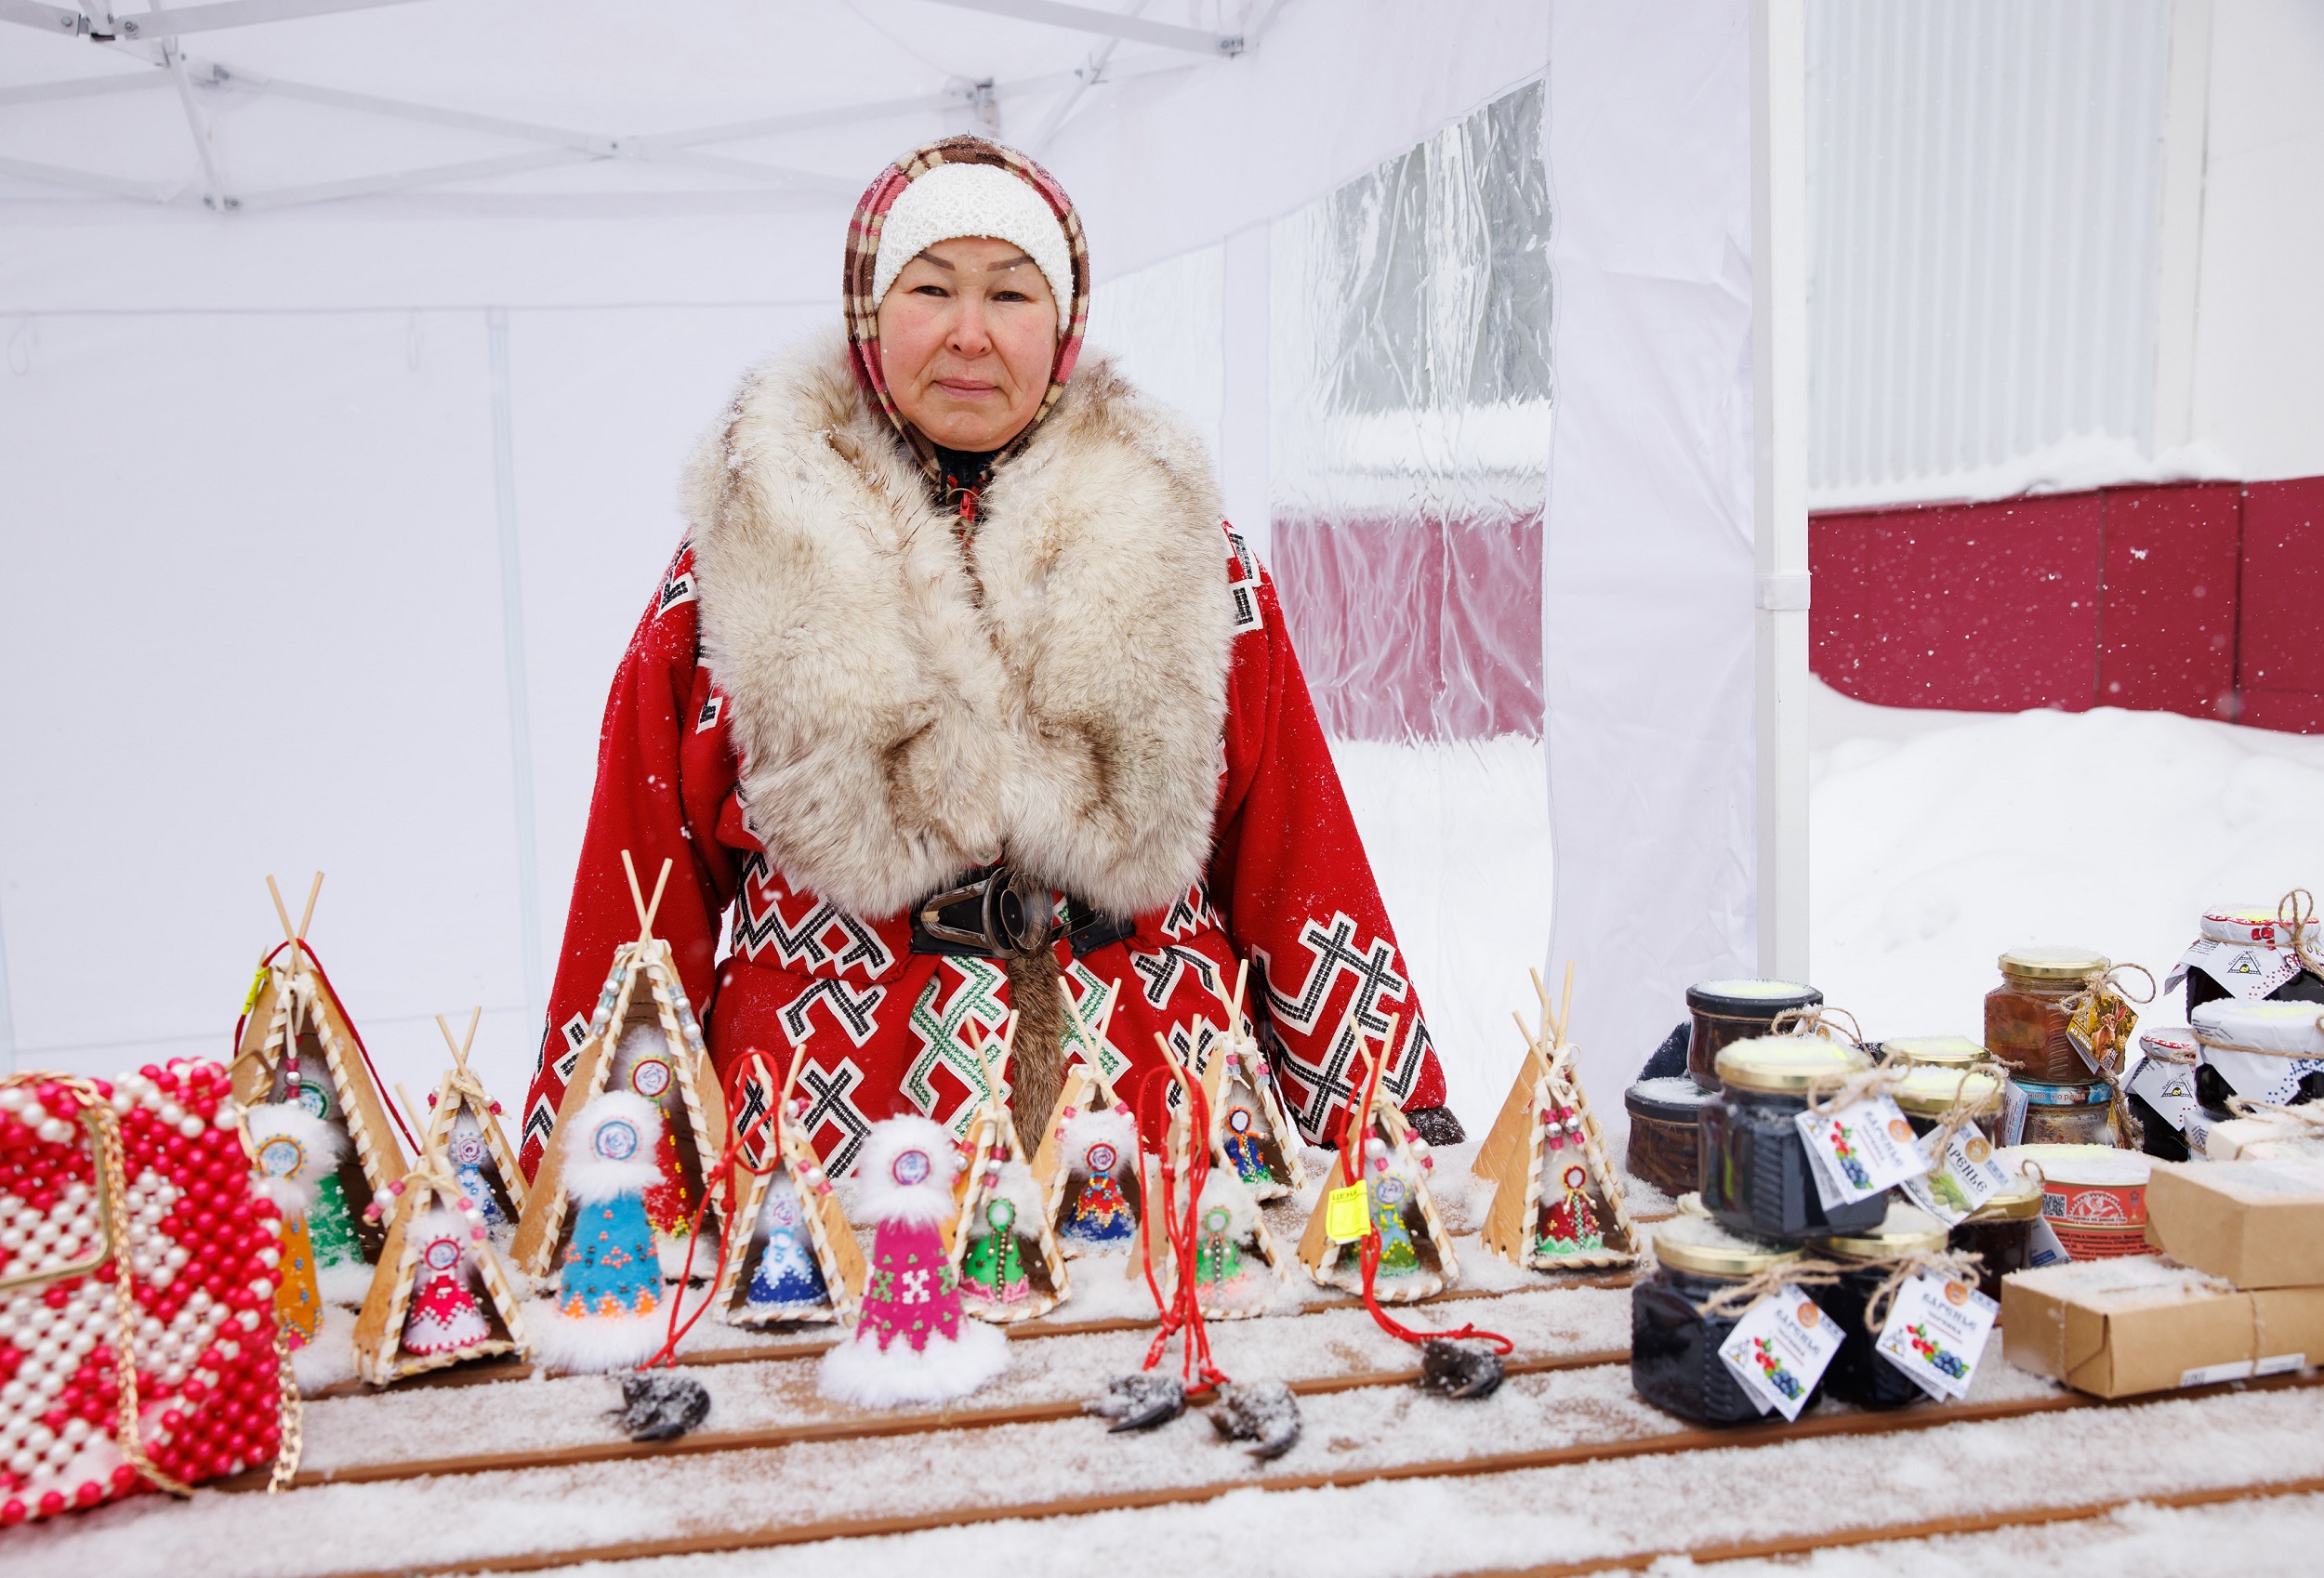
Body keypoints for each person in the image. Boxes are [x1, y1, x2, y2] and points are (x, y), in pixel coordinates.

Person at [518, 137, 1458, 1184]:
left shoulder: (1191, 553)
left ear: (1060, 324)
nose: (970, 334)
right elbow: (642, 876)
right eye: (931, 288)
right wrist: (600, 1160)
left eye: (1010, 294)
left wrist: (1384, 1118)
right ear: (872, 312)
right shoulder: (742, 558)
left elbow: (1293, 849)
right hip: (836, 1141)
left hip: (1160, 1116)